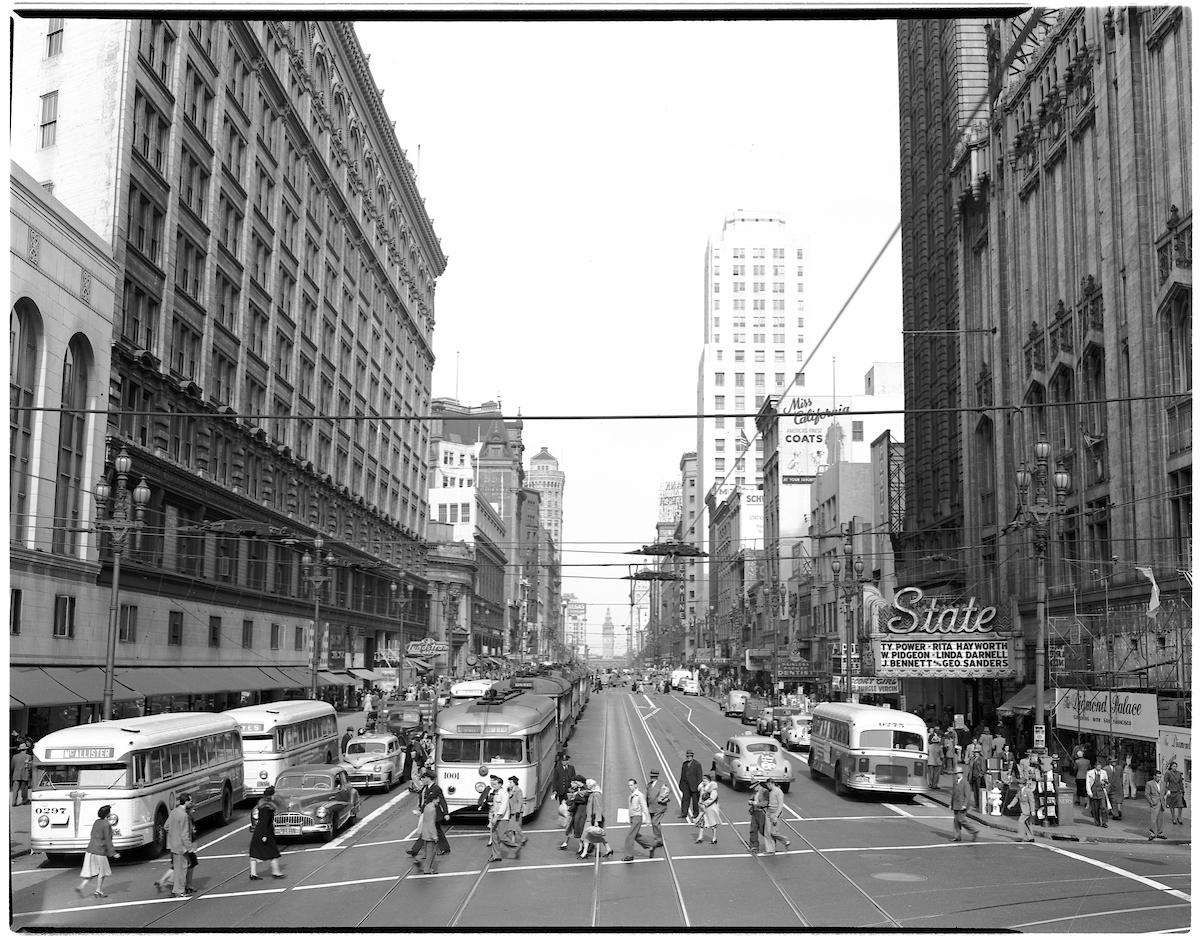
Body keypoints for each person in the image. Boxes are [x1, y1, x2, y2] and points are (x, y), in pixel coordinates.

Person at [158, 793, 196, 897]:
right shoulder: (183, 815)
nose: (191, 803)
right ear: (186, 802)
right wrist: (189, 848)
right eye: (190, 801)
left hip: (173, 845)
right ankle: (179, 890)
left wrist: (173, 835)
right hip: (181, 846)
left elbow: (166, 826)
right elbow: (185, 834)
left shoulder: (174, 812)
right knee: (182, 869)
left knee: (179, 868)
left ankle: (177, 889)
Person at [77, 805, 118, 898]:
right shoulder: (106, 824)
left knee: (93, 871)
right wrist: (113, 853)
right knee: (102, 872)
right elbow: (108, 840)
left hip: (91, 849)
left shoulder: (96, 822)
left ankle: (81, 886)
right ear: (108, 814)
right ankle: (98, 890)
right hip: (100, 851)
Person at [249, 786, 284, 879]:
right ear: (271, 796)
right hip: (264, 832)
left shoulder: (262, 805)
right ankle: (276, 872)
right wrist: (264, 835)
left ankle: (253, 874)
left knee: (255, 852)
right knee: (273, 852)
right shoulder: (267, 808)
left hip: (259, 831)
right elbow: (265, 822)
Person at [486, 774, 519, 862]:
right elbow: (495, 805)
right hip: (496, 817)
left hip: (502, 818)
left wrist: (496, 817)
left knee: (501, 837)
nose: (494, 786)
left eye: (495, 784)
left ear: (500, 784)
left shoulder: (503, 793)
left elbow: (503, 806)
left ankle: (515, 845)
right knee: (495, 837)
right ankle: (496, 855)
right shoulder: (495, 793)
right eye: (493, 785)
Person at [623, 778, 655, 861]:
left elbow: (644, 807)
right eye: (629, 785)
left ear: (635, 785)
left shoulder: (639, 795)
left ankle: (629, 855)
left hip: (637, 817)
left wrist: (648, 819)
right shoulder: (631, 795)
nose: (630, 787)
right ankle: (651, 845)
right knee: (636, 836)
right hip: (633, 817)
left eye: (631, 785)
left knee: (629, 836)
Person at [414, 779, 441, 875]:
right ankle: (427, 869)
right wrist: (435, 836)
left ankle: (426, 867)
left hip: (425, 833)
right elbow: (431, 824)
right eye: (438, 799)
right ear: (435, 799)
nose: (439, 801)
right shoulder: (432, 809)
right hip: (430, 835)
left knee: (428, 852)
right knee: (430, 853)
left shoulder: (426, 807)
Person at [580, 779, 612, 859]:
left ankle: (584, 853)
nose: (587, 787)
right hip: (591, 818)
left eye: (588, 785)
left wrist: (597, 821)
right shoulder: (593, 793)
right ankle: (608, 848)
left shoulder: (596, 794)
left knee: (585, 836)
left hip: (593, 818)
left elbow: (598, 808)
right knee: (595, 836)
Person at [949, 765, 979, 842]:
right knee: (956, 821)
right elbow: (953, 794)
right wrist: (951, 804)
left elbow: (967, 795)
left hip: (962, 805)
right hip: (956, 804)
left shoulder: (965, 783)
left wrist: (964, 805)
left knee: (961, 819)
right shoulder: (955, 782)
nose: (955, 775)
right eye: (955, 774)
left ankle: (974, 830)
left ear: (960, 773)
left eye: (956, 774)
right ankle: (957, 836)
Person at [559, 775, 588, 852]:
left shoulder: (584, 789)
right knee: (570, 827)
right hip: (574, 811)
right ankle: (567, 843)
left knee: (579, 828)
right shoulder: (574, 789)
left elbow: (582, 799)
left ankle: (583, 846)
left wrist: (574, 797)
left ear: (578, 782)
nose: (572, 784)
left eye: (573, 782)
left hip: (580, 812)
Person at [763, 779, 790, 853]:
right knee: (767, 832)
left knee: (773, 832)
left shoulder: (778, 792)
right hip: (769, 812)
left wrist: (776, 816)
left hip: (775, 813)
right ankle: (770, 850)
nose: (768, 787)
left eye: (768, 785)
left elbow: (780, 805)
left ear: (772, 783)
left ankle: (785, 840)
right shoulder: (770, 791)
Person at [646, 769, 671, 847]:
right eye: (652, 776)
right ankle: (657, 838)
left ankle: (659, 840)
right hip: (651, 807)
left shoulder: (662, 784)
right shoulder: (649, 785)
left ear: (656, 776)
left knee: (655, 823)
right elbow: (647, 796)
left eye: (654, 776)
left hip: (659, 807)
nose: (652, 777)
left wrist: (665, 800)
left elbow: (668, 794)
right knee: (656, 824)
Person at [1007, 777, 1035, 842]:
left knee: (1021, 821)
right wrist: (1011, 804)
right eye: (1019, 783)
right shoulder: (1019, 791)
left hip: (1027, 810)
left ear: (1024, 784)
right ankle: (1031, 837)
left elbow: (1032, 801)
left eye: (1021, 783)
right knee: (1027, 823)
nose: (1019, 785)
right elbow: (1016, 798)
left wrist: (1032, 810)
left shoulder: (1028, 791)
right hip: (1023, 810)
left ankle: (1020, 836)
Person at [695, 772, 720, 844]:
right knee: (701, 823)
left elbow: (712, 798)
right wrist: (700, 803)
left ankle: (714, 837)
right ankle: (700, 837)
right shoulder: (702, 788)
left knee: (713, 823)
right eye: (703, 781)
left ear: (709, 781)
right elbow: (700, 797)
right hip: (703, 808)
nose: (704, 782)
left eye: (705, 781)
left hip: (710, 808)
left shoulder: (713, 789)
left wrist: (705, 804)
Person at [677, 750, 702, 822]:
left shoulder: (697, 764)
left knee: (695, 801)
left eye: (690, 756)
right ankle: (684, 813)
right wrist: (681, 784)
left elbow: (699, 776)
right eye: (687, 756)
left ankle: (696, 813)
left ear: (692, 756)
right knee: (685, 800)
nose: (688, 757)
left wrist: (698, 786)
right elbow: (682, 775)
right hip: (686, 786)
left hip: (694, 786)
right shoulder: (684, 764)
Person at [747, 779, 770, 853]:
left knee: (762, 830)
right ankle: (754, 846)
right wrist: (750, 801)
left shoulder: (765, 791)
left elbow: (765, 803)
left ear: (758, 785)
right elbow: (751, 798)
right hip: (755, 812)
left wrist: (755, 803)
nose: (753, 788)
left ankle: (771, 842)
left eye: (754, 787)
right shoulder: (755, 792)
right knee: (753, 829)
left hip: (762, 813)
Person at [1086, 758, 1109, 828]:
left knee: (1103, 807)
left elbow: (1106, 781)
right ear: (1095, 766)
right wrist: (1089, 792)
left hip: (1101, 792)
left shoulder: (1104, 772)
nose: (1099, 767)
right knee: (1095, 808)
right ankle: (1097, 821)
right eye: (1098, 766)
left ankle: (1104, 822)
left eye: (1100, 766)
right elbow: (1088, 783)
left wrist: (1105, 783)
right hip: (1094, 792)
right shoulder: (1090, 773)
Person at [1164, 760, 1186, 825]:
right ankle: (1173, 817)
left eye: (1176, 766)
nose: (1175, 767)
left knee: (1180, 805)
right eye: (1174, 766)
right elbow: (1165, 782)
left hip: (1178, 791)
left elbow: (1180, 782)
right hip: (1171, 791)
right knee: (1172, 805)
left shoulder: (1178, 773)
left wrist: (1182, 790)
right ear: (1171, 767)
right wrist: (1166, 790)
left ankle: (1179, 817)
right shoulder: (1168, 773)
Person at [1146, 769, 1166, 840]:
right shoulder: (1149, 783)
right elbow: (1147, 794)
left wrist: (1165, 797)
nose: (1159, 778)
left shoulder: (1163, 783)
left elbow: (1164, 792)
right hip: (1154, 803)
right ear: (1154, 776)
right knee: (1153, 819)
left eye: (1160, 777)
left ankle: (1160, 833)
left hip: (1161, 803)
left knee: (1160, 819)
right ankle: (1153, 833)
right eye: (1157, 776)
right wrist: (1151, 802)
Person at [507, 776, 527, 844]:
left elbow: (520, 801)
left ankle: (523, 837)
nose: (509, 784)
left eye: (511, 782)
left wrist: (518, 811)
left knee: (516, 826)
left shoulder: (518, 790)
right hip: (511, 810)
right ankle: (513, 839)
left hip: (516, 811)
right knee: (512, 826)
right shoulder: (510, 790)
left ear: (514, 782)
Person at [1104, 755, 1122, 821]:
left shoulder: (1119, 768)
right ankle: (1108, 811)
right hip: (1109, 786)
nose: (1114, 762)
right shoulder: (1106, 768)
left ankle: (1115, 814)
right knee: (1107, 800)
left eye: (1115, 761)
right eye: (1112, 761)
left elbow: (1120, 776)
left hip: (1117, 786)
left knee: (1115, 800)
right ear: (1109, 762)